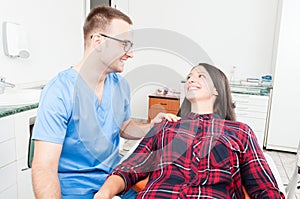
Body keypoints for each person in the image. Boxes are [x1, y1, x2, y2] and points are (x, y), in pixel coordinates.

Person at [31, 6, 179, 199]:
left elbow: (124, 126)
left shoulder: (120, 85)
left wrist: (151, 126)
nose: (130, 53)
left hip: (114, 181)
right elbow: (44, 167)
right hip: (74, 189)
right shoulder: (60, 91)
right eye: (124, 44)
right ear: (99, 42)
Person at [94, 63, 285, 199]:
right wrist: (104, 192)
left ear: (216, 89)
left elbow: (265, 188)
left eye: (200, 76)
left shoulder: (240, 132)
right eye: (189, 77)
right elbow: (129, 168)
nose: (191, 79)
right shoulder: (166, 126)